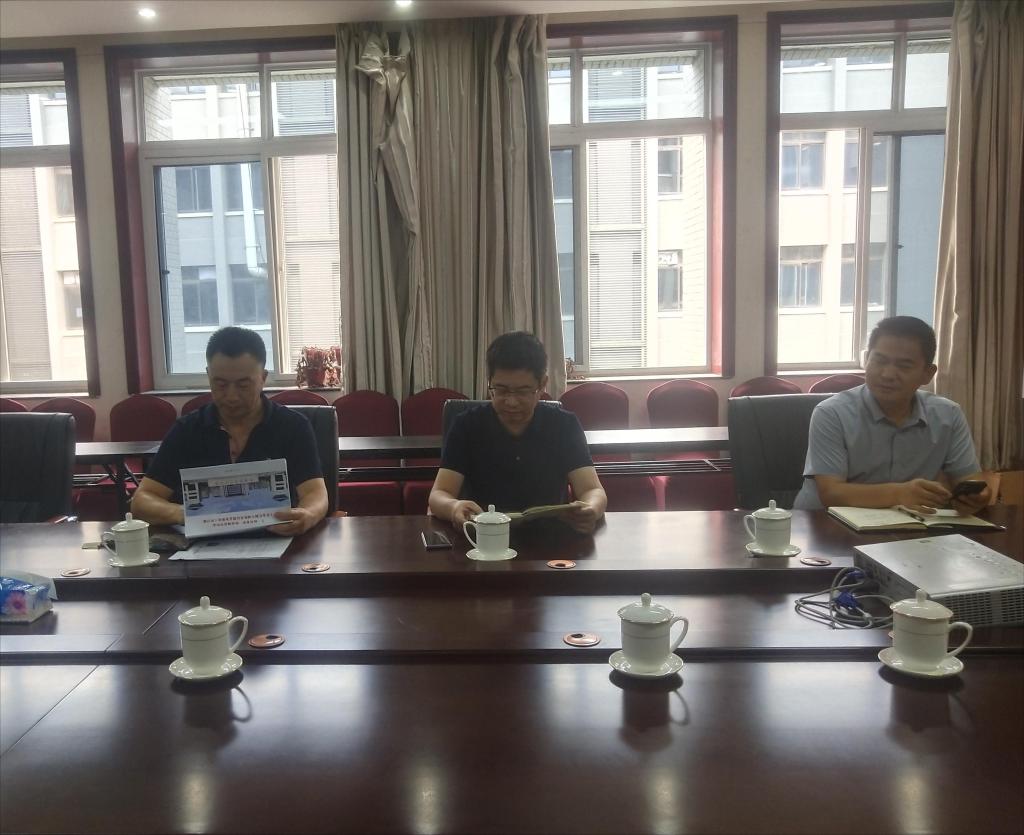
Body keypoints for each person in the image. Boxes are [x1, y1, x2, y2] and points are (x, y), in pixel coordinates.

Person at [132, 326, 329, 536]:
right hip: (202, 546)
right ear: (208, 376)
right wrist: (187, 513)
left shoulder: (292, 426)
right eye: (221, 384)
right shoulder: (187, 430)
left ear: (262, 378)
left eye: (243, 385)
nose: (231, 396)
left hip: (277, 540)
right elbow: (142, 501)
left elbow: (315, 493)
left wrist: (308, 514)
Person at [794, 315, 991, 514]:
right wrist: (898, 494)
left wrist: (978, 496)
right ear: (866, 360)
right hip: (823, 523)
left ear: (928, 373)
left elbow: (970, 480)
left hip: (907, 523)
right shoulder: (832, 413)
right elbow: (831, 493)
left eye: (904, 366)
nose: (887, 374)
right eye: (879, 361)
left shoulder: (948, 415)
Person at [428, 331, 607, 533]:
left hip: (550, 538)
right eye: (501, 390)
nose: (511, 402)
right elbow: (439, 494)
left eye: (523, 391)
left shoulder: (564, 425)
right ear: (489, 382)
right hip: (484, 538)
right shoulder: (466, 425)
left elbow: (592, 490)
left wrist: (591, 508)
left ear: (542, 385)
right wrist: (453, 507)